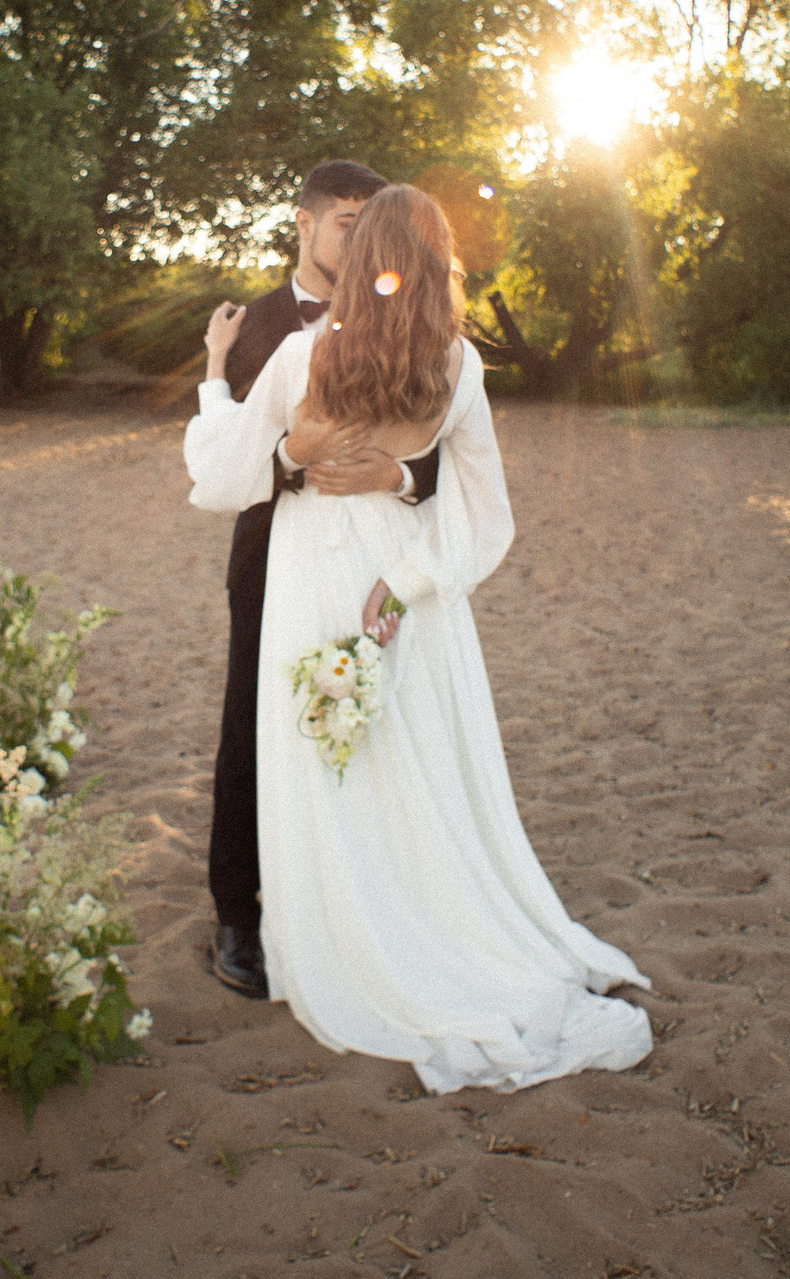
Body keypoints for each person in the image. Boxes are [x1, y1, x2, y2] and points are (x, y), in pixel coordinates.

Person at [184, 184, 651, 1092]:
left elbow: (222, 473)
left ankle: (349, 935)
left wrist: (212, 374)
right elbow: (483, 512)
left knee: (328, 752)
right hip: (398, 581)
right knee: (409, 751)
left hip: (314, 573)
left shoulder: (300, 354)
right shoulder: (459, 365)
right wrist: (405, 566)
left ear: (364, 261)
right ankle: (433, 921)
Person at [203, 161, 442, 1000]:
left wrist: (397, 477)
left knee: (370, 712)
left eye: (371, 221)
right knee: (253, 718)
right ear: (303, 224)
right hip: (271, 549)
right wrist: (300, 460)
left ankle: (360, 892)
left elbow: (438, 452)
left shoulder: (404, 312)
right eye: (347, 221)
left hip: (370, 556)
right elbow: (231, 450)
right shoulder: (258, 327)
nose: (363, 236)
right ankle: (238, 909)